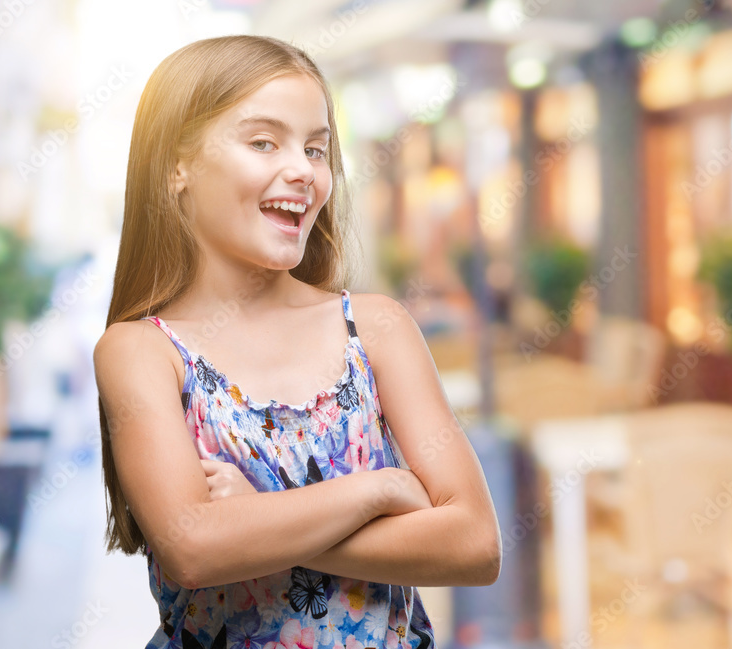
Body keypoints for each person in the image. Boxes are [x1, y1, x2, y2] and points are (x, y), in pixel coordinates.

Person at [92, 35, 501, 649]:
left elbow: (474, 545)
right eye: (263, 142)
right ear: (177, 164)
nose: (303, 171)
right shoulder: (140, 351)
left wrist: (259, 513)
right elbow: (195, 549)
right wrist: (379, 490)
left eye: (316, 148)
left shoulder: (378, 328)